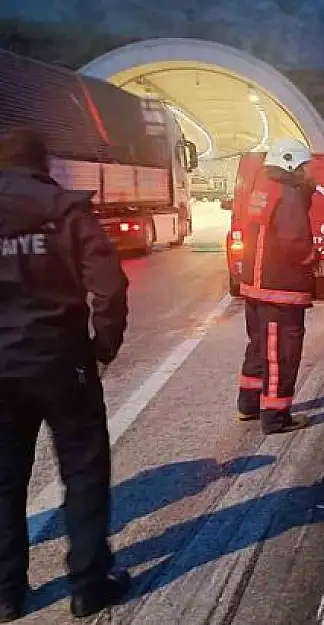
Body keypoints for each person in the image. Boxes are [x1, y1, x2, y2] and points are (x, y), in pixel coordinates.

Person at [0, 128, 131, 621]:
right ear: (42, 163)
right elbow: (109, 285)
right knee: (82, 469)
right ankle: (88, 584)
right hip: (62, 362)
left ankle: (7, 592)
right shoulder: (66, 209)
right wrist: (106, 343)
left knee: (4, 479)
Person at [236, 137, 317, 434]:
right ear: (290, 164)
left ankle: (249, 405)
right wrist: (312, 257)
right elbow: (295, 240)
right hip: (280, 289)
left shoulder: (263, 190)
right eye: (305, 166)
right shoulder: (290, 194)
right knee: (281, 354)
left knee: (259, 347)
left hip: (256, 286)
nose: (309, 173)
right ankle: (276, 417)